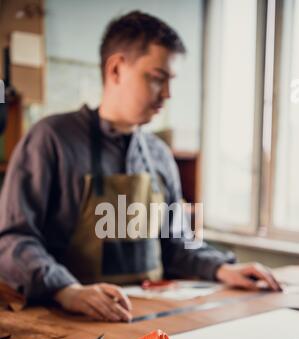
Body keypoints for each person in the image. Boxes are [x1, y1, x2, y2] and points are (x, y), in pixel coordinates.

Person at [0, 11, 281, 322]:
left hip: (150, 319)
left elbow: (175, 245)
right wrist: (67, 289)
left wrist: (221, 268)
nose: (168, 94)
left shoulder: (159, 155)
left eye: (171, 81)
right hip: (69, 321)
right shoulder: (50, 139)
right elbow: (14, 240)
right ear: (117, 69)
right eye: (157, 77)